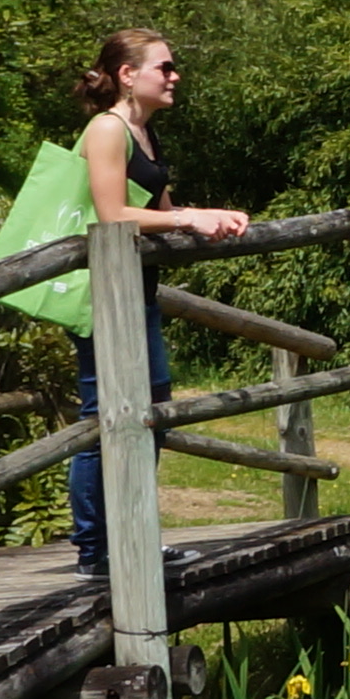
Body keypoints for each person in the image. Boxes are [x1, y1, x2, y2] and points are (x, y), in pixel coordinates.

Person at [64, 28, 251, 580]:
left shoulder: (145, 133)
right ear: (128, 74)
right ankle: (96, 553)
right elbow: (111, 213)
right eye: (164, 67)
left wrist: (211, 214)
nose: (175, 77)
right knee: (103, 417)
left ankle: (136, 533)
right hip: (103, 298)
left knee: (153, 410)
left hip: (136, 293)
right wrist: (187, 217)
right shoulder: (107, 129)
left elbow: (163, 209)